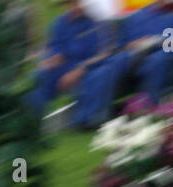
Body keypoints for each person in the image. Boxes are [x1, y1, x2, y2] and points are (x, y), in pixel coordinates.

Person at [26, 0, 123, 130]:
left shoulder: (98, 23)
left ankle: (86, 120)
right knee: (37, 76)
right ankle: (32, 124)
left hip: (89, 67)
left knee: (102, 73)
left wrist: (79, 70)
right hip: (64, 68)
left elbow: (105, 53)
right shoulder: (59, 23)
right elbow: (53, 47)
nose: (74, 7)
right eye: (69, 4)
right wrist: (50, 60)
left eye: (77, 3)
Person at [119, 0, 173, 104]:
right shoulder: (138, 16)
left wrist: (159, 41)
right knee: (119, 60)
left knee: (157, 59)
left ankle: (152, 105)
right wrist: (140, 44)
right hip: (138, 57)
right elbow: (125, 46)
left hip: (171, 54)